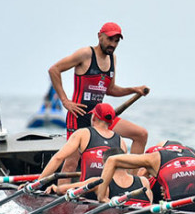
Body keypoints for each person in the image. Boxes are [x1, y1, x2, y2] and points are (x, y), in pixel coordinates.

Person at [48, 22, 150, 155]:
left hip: (100, 118)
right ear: (99, 36)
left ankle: (131, 176)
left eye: (116, 41)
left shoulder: (112, 59)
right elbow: (54, 70)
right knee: (71, 164)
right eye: (110, 39)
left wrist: (133, 89)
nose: (113, 44)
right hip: (78, 116)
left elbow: (111, 89)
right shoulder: (85, 54)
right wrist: (65, 101)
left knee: (141, 134)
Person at [36, 103, 125, 198]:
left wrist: (37, 183)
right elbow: (124, 173)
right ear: (110, 122)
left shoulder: (82, 133)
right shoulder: (121, 141)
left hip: (86, 193)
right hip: (112, 195)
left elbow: (58, 158)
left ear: (94, 117)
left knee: (61, 186)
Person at [97, 140, 195, 212]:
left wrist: (102, 198)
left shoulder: (154, 157)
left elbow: (112, 160)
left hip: (179, 206)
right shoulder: (192, 155)